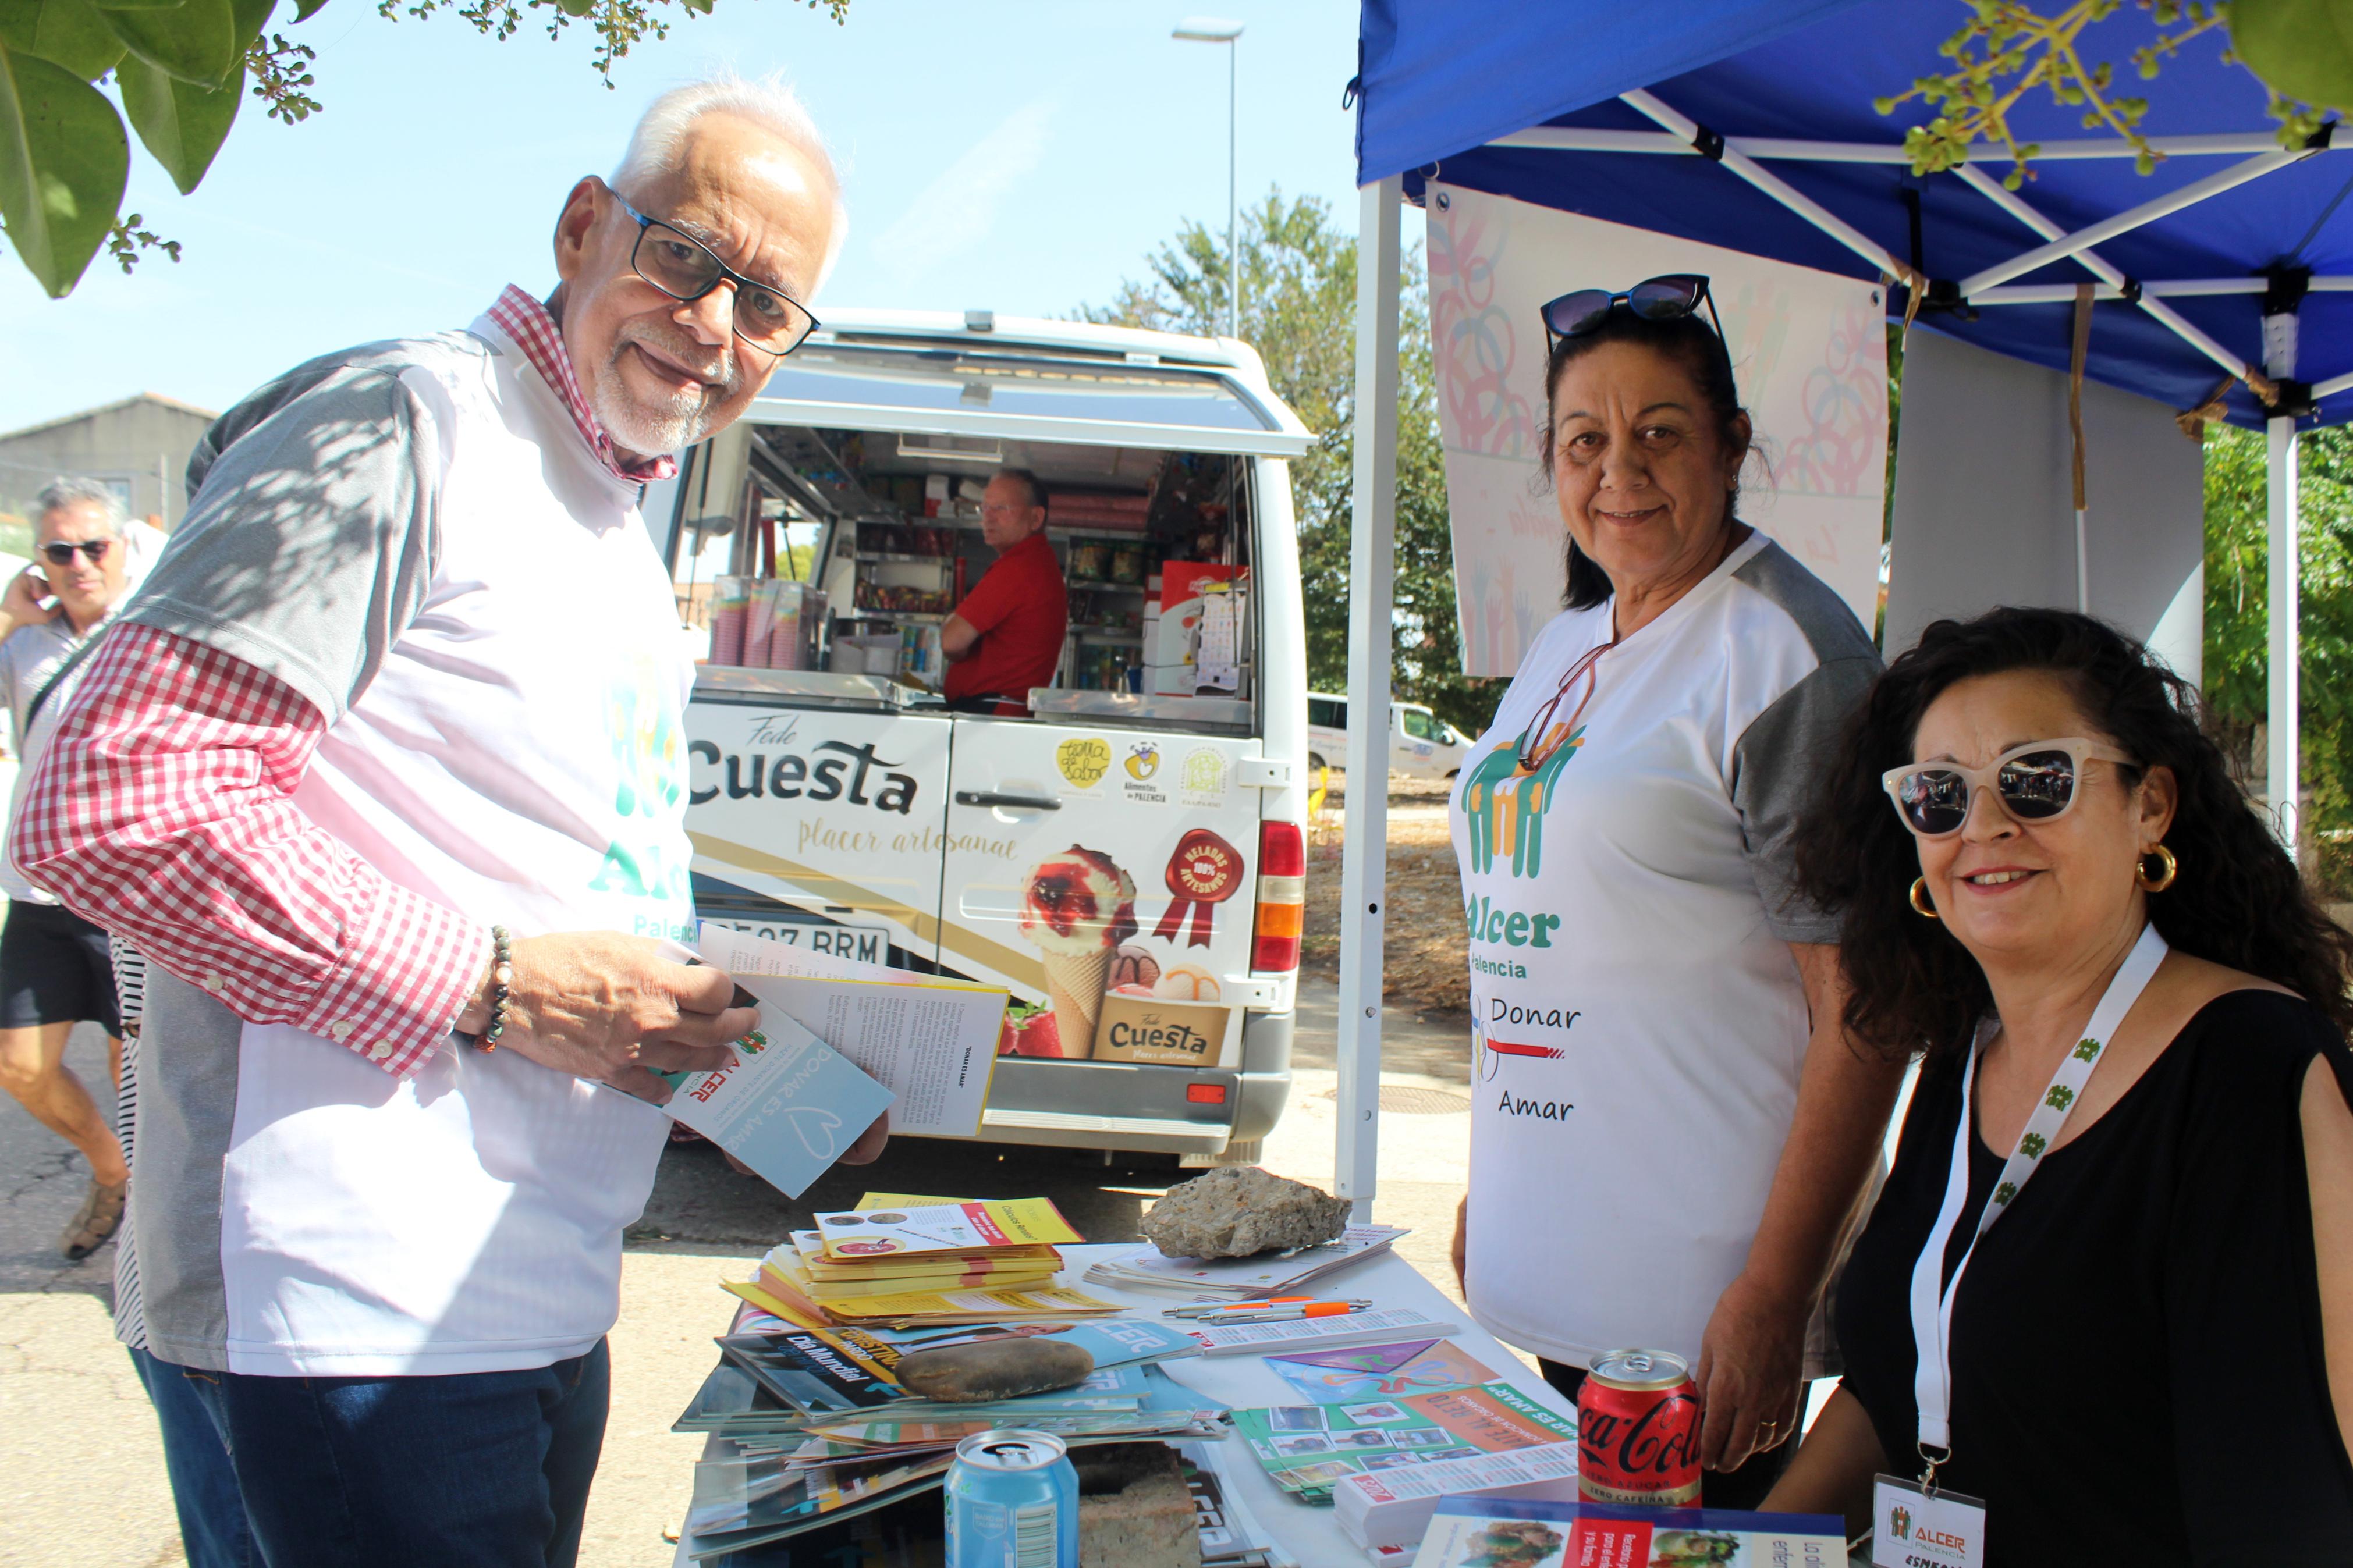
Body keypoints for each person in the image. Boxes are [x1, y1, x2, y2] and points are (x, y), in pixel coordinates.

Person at [13, 72, 885, 1567]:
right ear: (584, 227)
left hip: (523, 1286)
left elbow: (543, 872)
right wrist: (492, 985)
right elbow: (113, 801)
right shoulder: (409, 421)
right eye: (686, 258)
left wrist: (759, 1076)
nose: (713, 327)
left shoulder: (610, 503)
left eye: (767, 308)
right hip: (351, 1308)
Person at [1445, 274, 1907, 1507]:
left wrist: (1773, 1295)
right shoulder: (1568, 640)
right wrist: (1496, 1187)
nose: (1618, 471)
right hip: (1547, 1290)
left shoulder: (1782, 654)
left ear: (1732, 446)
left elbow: (1863, 1014)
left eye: (1659, 433)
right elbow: (1541, 946)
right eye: (1583, 441)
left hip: (1690, 1327)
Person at [1765, 608, 2353, 1561]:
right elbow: (1893, 1381)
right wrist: (1748, 1548)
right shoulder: (1967, 1057)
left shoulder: (2247, 1072)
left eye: (2036, 780)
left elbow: (2282, 1514)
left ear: (2149, 805)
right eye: (1937, 796)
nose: (1983, 825)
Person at [0, 477, 141, 1259]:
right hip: (40, 894)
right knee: (20, 1065)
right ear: (39, 561)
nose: (80, 562)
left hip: (129, 896)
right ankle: (110, 1167)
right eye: (61, 549)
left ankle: (154, 1219)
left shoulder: (154, 630)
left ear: (122, 548)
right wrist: (12, 615)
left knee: (137, 1078)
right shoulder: (24, 643)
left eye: (95, 545)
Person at [941, 467, 1068, 713]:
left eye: (1002, 508)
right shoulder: (1037, 564)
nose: (988, 517)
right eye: (985, 508)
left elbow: (952, 642)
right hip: (999, 712)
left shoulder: (1020, 566)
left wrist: (951, 626)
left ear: (1036, 518)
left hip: (991, 716)